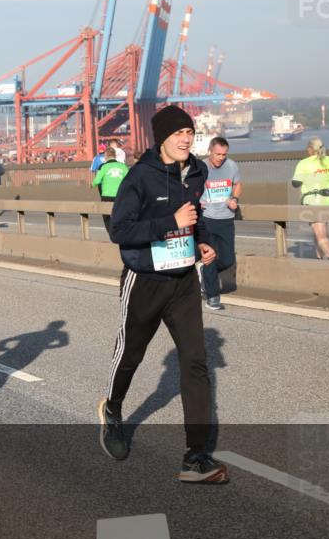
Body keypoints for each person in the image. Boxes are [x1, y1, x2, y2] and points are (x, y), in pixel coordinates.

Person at [99, 104, 226, 484]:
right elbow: (120, 230)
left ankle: (196, 456)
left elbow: (196, 218)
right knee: (132, 353)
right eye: (179, 133)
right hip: (146, 280)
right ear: (163, 139)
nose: (186, 138)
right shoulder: (140, 177)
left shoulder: (197, 172)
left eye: (190, 131)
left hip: (184, 280)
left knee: (196, 362)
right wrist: (170, 223)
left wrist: (202, 242)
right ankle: (113, 410)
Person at [200, 137, 241, 310]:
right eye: (218, 154)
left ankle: (205, 275)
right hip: (207, 218)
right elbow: (188, 186)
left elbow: (237, 184)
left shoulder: (231, 165)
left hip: (226, 218)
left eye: (224, 154)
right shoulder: (200, 167)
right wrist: (196, 200)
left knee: (227, 260)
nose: (221, 158)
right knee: (210, 257)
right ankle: (213, 296)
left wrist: (234, 198)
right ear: (210, 151)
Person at [292, 137, 329, 261]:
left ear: (311, 149)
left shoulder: (304, 163)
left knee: (320, 235)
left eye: (308, 148)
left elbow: (296, 183)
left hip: (314, 202)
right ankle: (319, 261)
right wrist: (327, 180)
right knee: (320, 232)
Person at [91, 147, 128, 231]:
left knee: (106, 215)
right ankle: (120, 229)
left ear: (106, 156)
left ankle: (110, 230)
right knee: (119, 213)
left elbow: (97, 180)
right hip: (120, 196)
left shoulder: (103, 167)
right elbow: (129, 180)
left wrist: (91, 185)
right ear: (115, 156)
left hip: (107, 196)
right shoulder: (123, 167)